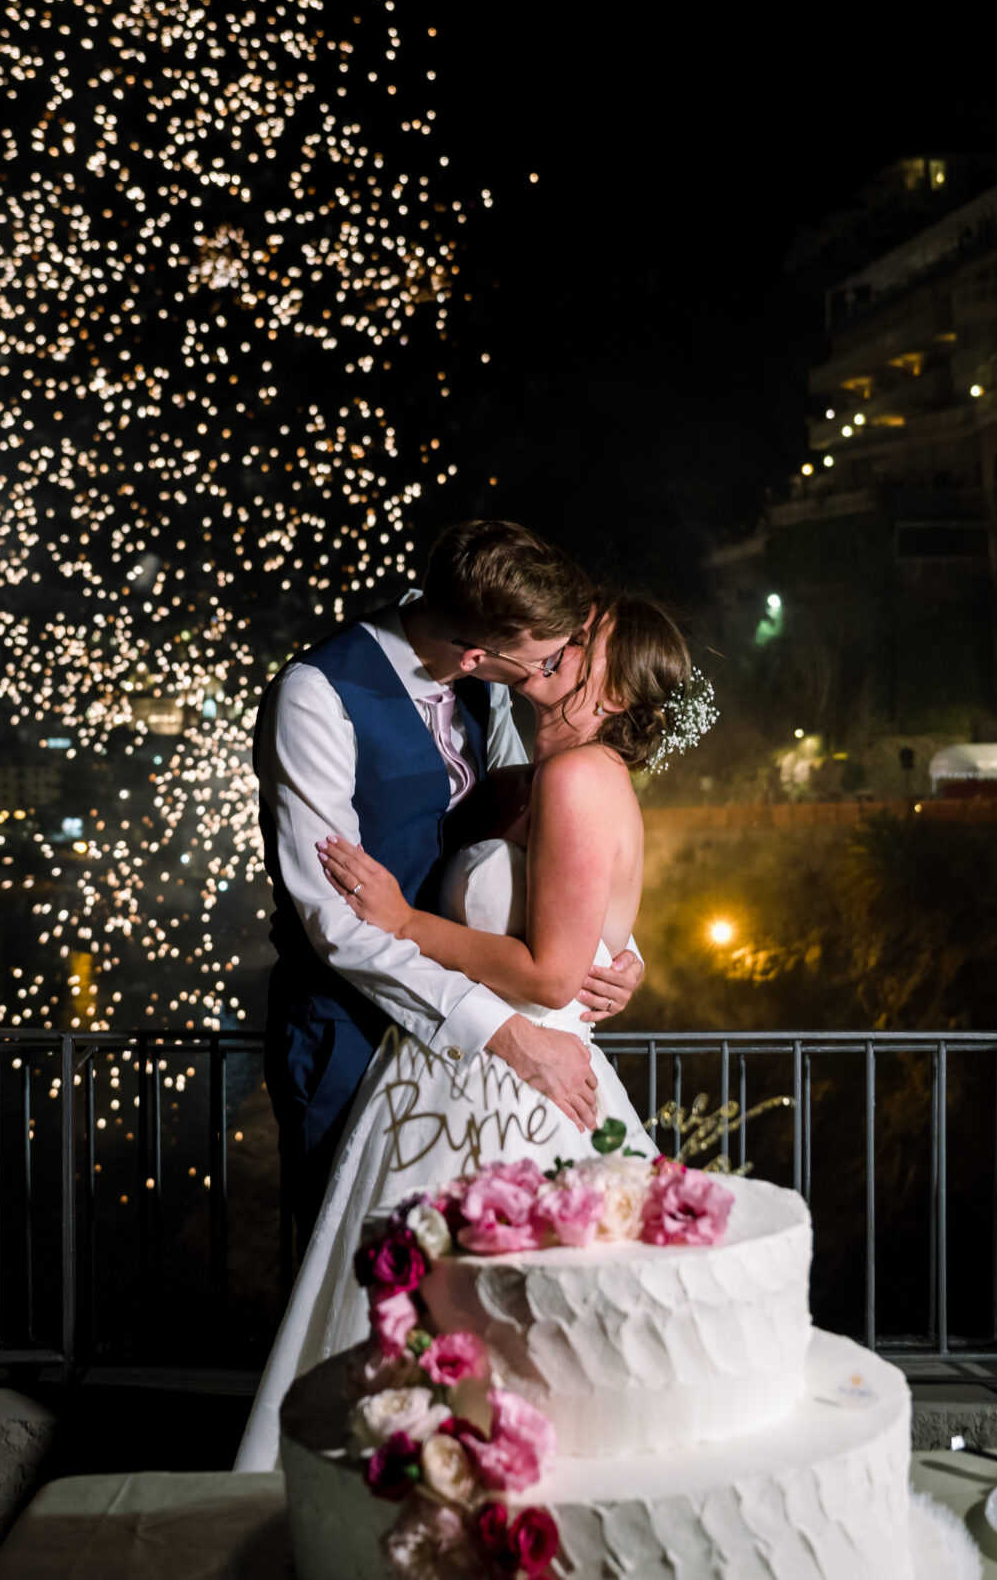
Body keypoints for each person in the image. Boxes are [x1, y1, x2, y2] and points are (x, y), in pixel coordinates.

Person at [234, 591, 711, 1471]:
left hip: (516, 1071)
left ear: (613, 693)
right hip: (398, 1052)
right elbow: (551, 886)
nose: (564, 644)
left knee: (467, 1303)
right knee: (427, 1301)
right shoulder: (521, 748)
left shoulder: (569, 766)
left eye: (586, 638)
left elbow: (549, 962)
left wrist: (413, 922)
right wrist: (614, 942)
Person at [253, 521, 640, 1257]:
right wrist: (504, 1033)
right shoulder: (316, 696)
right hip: (349, 1028)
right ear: (475, 653)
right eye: (545, 658)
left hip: (481, 1029)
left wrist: (614, 947)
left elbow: (527, 845)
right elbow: (336, 922)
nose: (552, 672)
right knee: (362, 1271)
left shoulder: (486, 688)